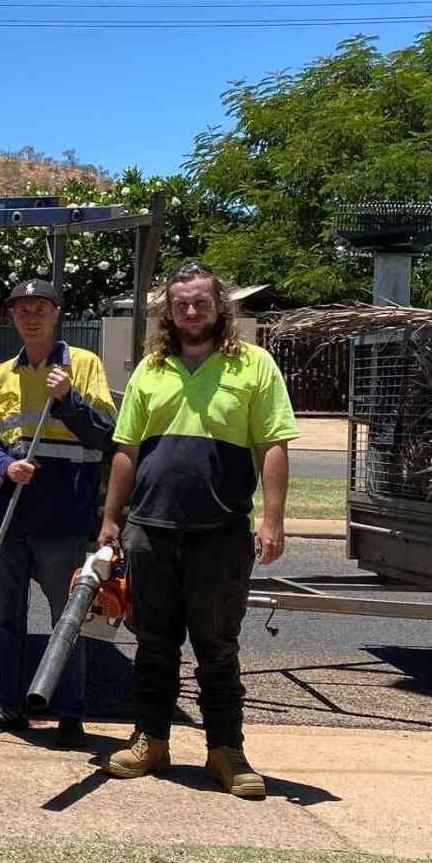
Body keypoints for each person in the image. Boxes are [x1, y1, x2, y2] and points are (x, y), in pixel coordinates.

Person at [99, 263, 298, 799]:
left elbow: (274, 444)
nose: (191, 311)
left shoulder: (253, 365)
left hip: (221, 531)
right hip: (150, 530)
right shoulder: (150, 369)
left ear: (220, 308)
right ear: (169, 311)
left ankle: (226, 752)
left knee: (218, 648)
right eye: (181, 304)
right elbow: (126, 450)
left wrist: (273, 519)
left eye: (201, 303)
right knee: (154, 645)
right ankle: (151, 741)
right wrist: (111, 519)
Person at [0, 278, 118, 747]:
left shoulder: (83, 365)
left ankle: (69, 713)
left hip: (63, 514)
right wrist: (6, 467)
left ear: (57, 314)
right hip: (12, 513)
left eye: (40, 308)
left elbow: (107, 436)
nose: (31, 316)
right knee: (6, 619)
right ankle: (9, 706)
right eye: (22, 309)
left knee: (65, 618)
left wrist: (69, 400)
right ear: (13, 316)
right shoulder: (2, 376)